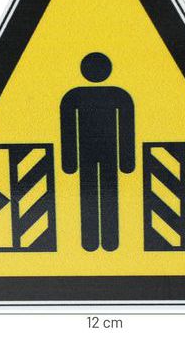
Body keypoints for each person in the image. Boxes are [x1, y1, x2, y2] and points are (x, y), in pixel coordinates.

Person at [60, 52, 135, 251]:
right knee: (91, 196)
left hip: (102, 154)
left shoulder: (76, 96)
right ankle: (94, 241)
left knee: (104, 195)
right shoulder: (75, 97)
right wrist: (69, 162)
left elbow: (126, 129)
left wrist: (127, 161)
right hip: (94, 155)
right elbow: (68, 129)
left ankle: (105, 241)